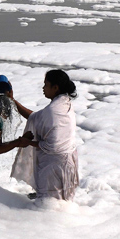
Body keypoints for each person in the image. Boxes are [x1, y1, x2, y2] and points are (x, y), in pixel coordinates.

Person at [8, 69, 80, 200]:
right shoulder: (65, 103)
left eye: (46, 84)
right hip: (66, 161)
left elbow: (53, 146)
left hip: (55, 166)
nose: (43, 88)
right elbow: (35, 117)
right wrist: (12, 101)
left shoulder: (53, 110)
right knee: (61, 201)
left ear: (55, 87)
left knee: (50, 204)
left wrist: (28, 142)